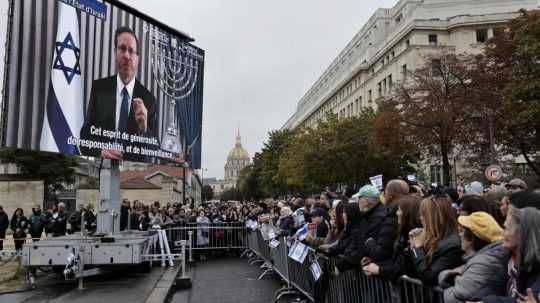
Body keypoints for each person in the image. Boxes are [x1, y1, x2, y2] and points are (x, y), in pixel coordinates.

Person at [79, 26, 158, 162]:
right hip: (102, 167)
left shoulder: (149, 99)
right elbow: (85, 135)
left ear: (137, 59)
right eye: (122, 49)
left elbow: (154, 150)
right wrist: (99, 150)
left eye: (131, 51)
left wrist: (144, 128)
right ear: (115, 53)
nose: (127, 56)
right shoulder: (99, 88)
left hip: (132, 172)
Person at [439, 212, 509, 303]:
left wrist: (453, 280)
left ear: (471, 238)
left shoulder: (483, 263)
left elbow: (452, 299)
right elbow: (442, 275)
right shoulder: (485, 257)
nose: (459, 235)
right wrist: (454, 277)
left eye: (461, 231)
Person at [482, 207, 540, 303]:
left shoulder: (537, 268)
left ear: (522, 234)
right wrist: (479, 300)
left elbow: (525, 300)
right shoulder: (508, 260)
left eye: (506, 229)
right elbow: (491, 286)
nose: (502, 232)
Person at [363, 195, 422, 282]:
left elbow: (408, 267)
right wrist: (373, 267)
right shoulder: (402, 233)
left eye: (399, 210)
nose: (397, 213)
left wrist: (379, 269)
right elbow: (397, 262)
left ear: (408, 212)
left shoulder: (418, 235)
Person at [407, 195, 463, 286]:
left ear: (435, 217)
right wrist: (412, 246)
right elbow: (409, 271)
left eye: (423, 215)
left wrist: (418, 248)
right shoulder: (432, 238)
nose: (420, 218)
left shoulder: (452, 246)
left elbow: (429, 277)